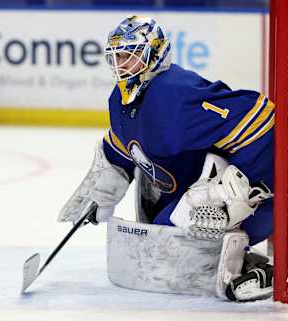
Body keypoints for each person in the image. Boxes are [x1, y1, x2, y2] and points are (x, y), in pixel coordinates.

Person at [58, 16, 274, 302]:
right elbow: (123, 146)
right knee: (155, 253)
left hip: (259, 201)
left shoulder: (174, 94)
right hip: (186, 198)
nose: (121, 64)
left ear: (153, 54)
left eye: (129, 56)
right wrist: (104, 186)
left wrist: (231, 192)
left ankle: (260, 270)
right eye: (117, 56)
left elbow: (262, 118)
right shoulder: (120, 99)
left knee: (175, 261)